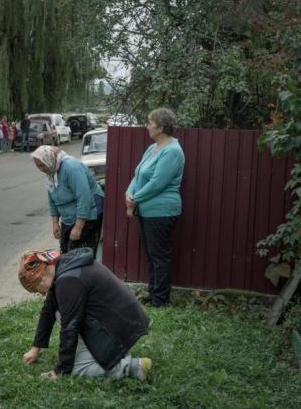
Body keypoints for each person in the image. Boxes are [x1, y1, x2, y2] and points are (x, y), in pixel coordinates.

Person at [18, 248, 151, 380]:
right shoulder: (63, 265)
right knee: (58, 309)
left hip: (124, 326)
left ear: (40, 278)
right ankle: (111, 352)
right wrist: (36, 348)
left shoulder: (67, 281)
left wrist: (62, 369)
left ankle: (132, 366)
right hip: (126, 320)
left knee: (79, 369)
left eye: (36, 289)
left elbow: (70, 326)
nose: (41, 294)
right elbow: (48, 311)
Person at [125, 107, 185, 307]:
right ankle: (153, 294)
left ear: (160, 127)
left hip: (162, 211)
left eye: (150, 123)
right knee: (152, 255)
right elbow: (138, 174)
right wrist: (129, 192)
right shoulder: (153, 148)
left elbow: (157, 183)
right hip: (147, 210)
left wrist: (134, 200)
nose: (147, 126)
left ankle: (161, 299)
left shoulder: (173, 151)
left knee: (159, 256)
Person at [31, 146, 104, 254]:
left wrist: (78, 227)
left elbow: (84, 197)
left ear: (49, 160)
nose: (42, 170)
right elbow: (52, 199)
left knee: (77, 255)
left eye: (42, 165)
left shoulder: (72, 168)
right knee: (65, 251)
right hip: (69, 217)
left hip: (89, 214)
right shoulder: (51, 171)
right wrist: (55, 223)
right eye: (39, 167)